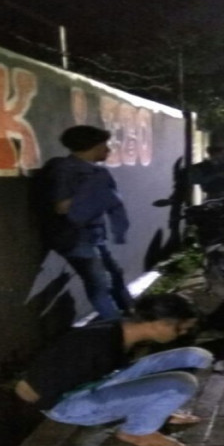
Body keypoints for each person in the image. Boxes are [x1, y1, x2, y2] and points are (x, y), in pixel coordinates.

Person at [15, 293, 214, 446]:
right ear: (161, 323)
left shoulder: (120, 328)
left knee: (195, 356)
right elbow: (29, 388)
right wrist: (44, 405)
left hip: (97, 384)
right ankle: (136, 432)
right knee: (182, 384)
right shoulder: (96, 343)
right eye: (181, 329)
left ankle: (151, 410)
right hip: (67, 405)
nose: (182, 334)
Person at [40, 125, 133, 320]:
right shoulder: (65, 170)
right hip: (75, 236)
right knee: (99, 283)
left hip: (94, 234)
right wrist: (94, 191)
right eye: (104, 145)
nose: (108, 150)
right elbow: (61, 207)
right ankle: (117, 327)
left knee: (114, 274)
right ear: (92, 146)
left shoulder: (95, 171)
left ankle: (134, 314)